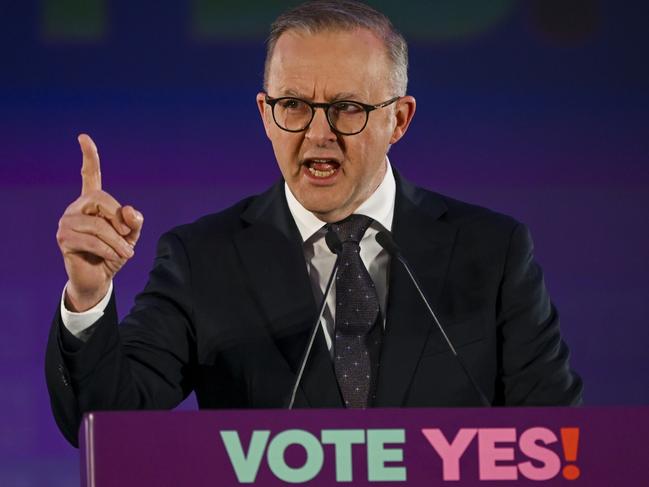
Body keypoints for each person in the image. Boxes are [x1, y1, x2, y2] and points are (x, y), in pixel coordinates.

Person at [47, 0, 583, 447]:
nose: (318, 133)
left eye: (347, 107)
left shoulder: (491, 251)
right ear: (264, 114)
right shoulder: (202, 259)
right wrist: (89, 296)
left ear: (399, 119)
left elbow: (559, 441)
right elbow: (107, 426)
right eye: (294, 106)